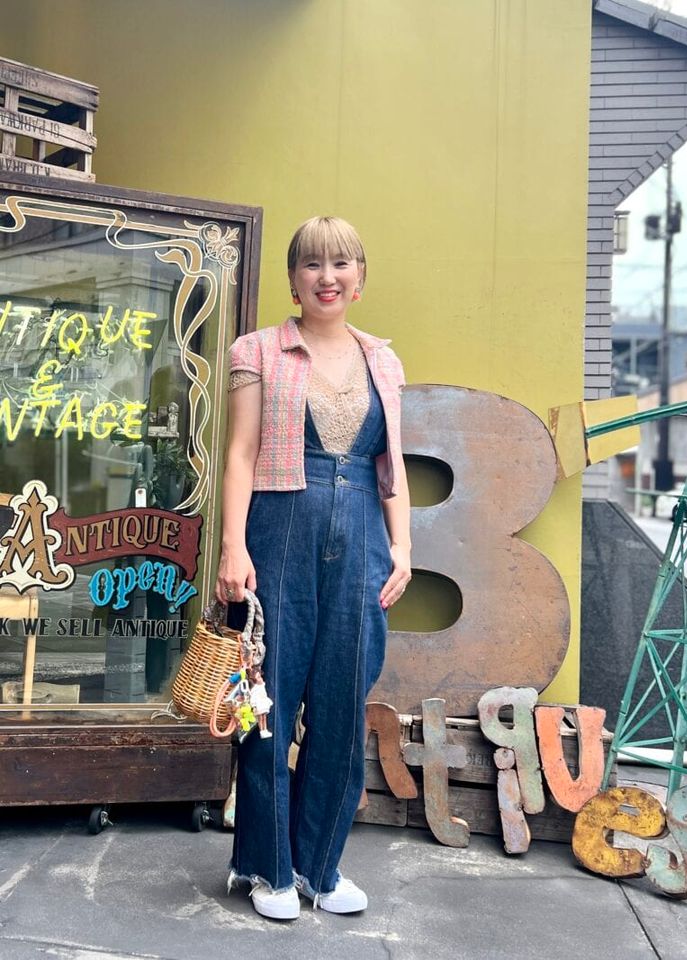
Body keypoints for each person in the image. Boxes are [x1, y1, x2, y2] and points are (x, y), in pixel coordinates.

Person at [215, 216, 411, 921]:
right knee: (265, 704)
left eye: (341, 263)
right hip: (278, 535)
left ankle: (319, 867)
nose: (328, 277)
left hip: (362, 540)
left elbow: (391, 467)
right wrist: (233, 546)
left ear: (360, 278)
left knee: (340, 705)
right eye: (313, 264)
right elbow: (240, 454)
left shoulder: (383, 360)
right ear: (294, 279)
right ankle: (268, 869)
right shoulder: (258, 350)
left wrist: (403, 548)